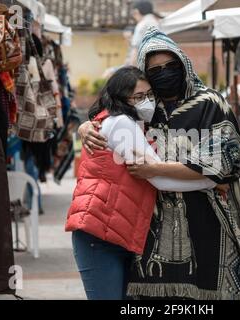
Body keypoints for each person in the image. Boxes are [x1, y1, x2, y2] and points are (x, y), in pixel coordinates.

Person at [78, 28, 240, 300]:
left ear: (182, 63)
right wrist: (84, 128)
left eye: (171, 66)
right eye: (155, 70)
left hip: (208, 220)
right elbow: (104, 118)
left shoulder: (209, 103)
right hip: (151, 228)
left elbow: (224, 161)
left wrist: (156, 170)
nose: (165, 73)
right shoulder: (142, 104)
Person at [67, 66, 217, 300]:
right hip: (99, 238)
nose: (147, 101)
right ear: (120, 97)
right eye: (138, 96)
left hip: (113, 234)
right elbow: (159, 178)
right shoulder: (122, 124)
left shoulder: (121, 121)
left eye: (149, 95)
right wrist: (210, 181)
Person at [127, 1, 160, 66]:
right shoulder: (156, 22)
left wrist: (131, 67)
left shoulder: (142, 24)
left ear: (136, 11)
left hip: (144, 63)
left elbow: (136, 48)